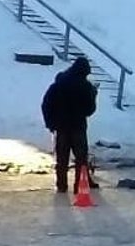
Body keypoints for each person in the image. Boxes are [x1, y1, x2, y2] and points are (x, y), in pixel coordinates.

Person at [42, 57, 98, 194]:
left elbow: (46, 105)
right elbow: (90, 109)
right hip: (78, 127)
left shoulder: (59, 83)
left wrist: (50, 123)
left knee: (62, 158)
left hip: (61, 127)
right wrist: (93, 95)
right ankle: (79, 185)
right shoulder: (86, 86)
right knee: (81, 158)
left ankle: (61, 185)